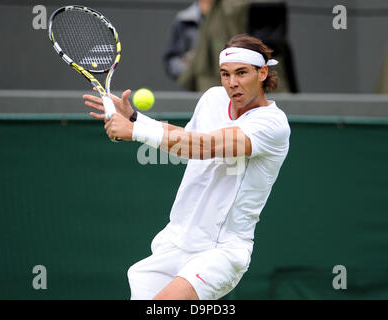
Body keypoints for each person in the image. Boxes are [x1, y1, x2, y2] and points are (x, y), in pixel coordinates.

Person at [83, 34, 290, 300]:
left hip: (220, 251)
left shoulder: (273, 124)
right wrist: (136, 119)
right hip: (176, 241)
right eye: (225, 74)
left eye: (241, 73)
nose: (232, 83)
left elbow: (206, 147)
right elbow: (186, 145)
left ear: (262, 73)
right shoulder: (213, 98)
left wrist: (135, 131)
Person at [163, 0, 214, 81]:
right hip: (193, 87)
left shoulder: (230, 19)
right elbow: (171, 61)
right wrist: (188, 68)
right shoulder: (183, 20)